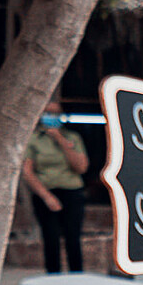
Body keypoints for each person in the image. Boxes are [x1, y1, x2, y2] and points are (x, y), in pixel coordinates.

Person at [22, 100, 90, 275]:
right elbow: (28, 172)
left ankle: (77, 277)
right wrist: (46, 196)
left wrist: (60, 140)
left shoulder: (73, 138)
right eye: (47, 113)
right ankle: (53, 277)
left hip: (72, 191)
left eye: (55, 113)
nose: (51, 117)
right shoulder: (34, 140)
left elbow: (81, 167)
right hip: (46, 192)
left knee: (72, 238)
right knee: (51, 238)